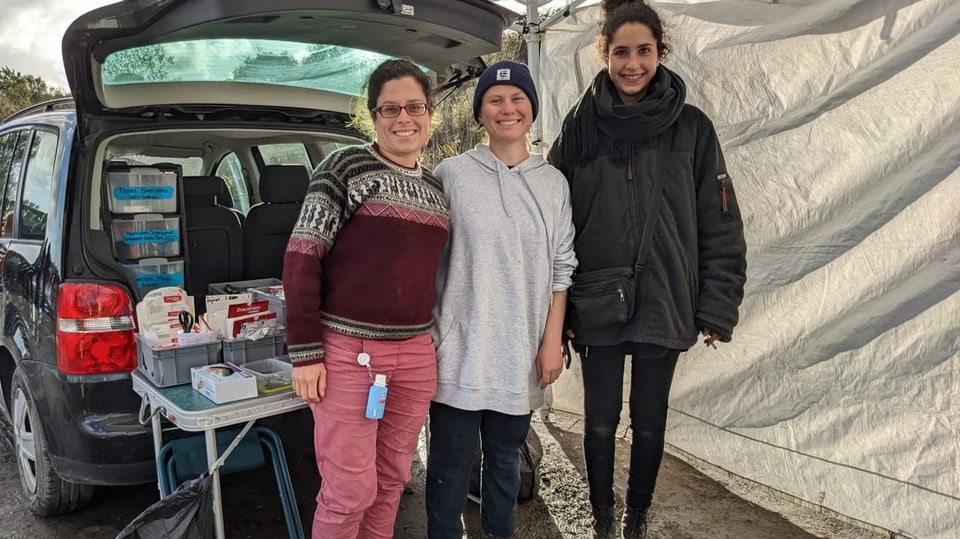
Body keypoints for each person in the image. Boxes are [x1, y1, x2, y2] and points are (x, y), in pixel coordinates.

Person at [547, 1, 748, 538]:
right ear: (604, 54)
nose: (632, 63)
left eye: (643, 51)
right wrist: (557, 309)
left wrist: (716, 305)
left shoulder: (694, 129)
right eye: (620, 52)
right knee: (598, 419)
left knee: (650, 421)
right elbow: (552, 224)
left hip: (665, 295)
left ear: (661, 51)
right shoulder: (580, 127)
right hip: (595, 297)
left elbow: (720, 223)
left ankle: (636, 515)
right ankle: (602, 517)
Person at [282, 58, 449, 539]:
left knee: (393, 480)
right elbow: (301, 257)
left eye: (415, 106)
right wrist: (306, 353)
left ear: (430, 113)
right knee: (349, 490)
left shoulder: (437, 189)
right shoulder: (346, 167)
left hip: (415, 356)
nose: (404, 118)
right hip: (347, 356)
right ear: (373, 116)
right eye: (390, 108)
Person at [425, 60, 577, 539]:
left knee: (506, 466)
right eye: (495, 99)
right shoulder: (451, 174)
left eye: (517, 99)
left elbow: (561, 268)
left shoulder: (553, 183)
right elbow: (426, 260)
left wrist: (551, 342)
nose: (506, 109)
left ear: (531, 109)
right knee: (448, 468)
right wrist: (429, 335)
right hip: (458, 352)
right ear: (480, 112)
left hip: (520, 352)